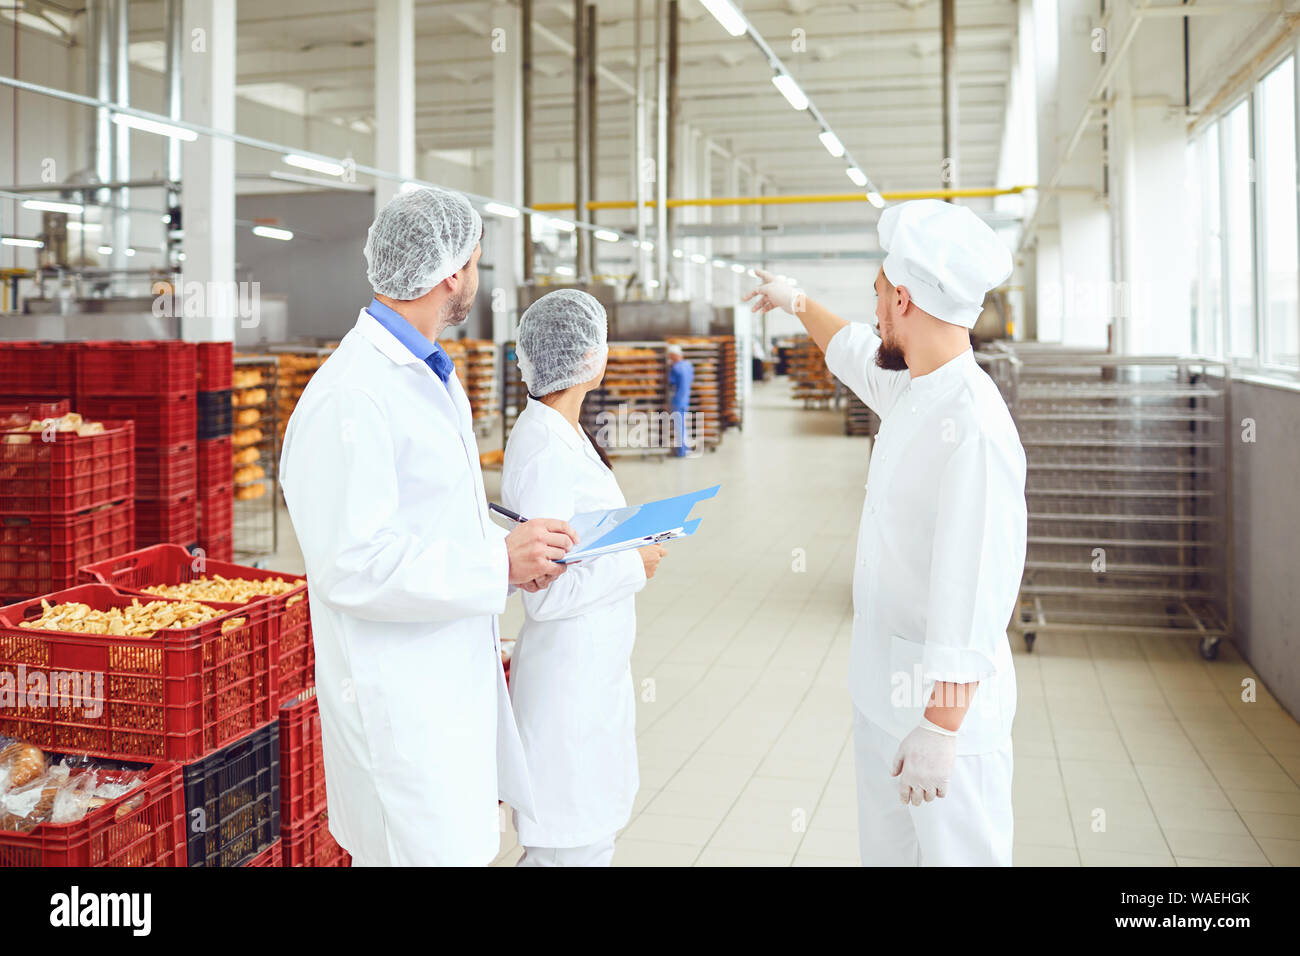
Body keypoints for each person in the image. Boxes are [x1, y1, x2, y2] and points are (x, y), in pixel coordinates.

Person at [279, 186, 579, 867]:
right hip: (400, 715)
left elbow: (430, 511)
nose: (474, 274)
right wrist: (496, 566)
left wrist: (517, 544)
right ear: (453, 272)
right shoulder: (353, 395)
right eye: (475, 260)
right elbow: (352, 565)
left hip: (444, 687)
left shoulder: (426, 374)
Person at [743, 199, 1026, 867]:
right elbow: (853, 352)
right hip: (884, 691)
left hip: (942, 718)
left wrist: (941, 725)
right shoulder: (917, 386)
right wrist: (796, 301)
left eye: (875, 296)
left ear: (902, 297)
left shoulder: (974, 427)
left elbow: (978, 586)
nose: (873, 313)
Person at [501, 289, 667, 867]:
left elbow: (573, 543)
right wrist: (633, 564)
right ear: (588, 359)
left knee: (584, 843)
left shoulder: (561, 432)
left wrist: (625, 537)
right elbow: (543, 591)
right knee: (568, 850)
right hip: (565, 687)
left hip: (588, 677)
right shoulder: (546, 449)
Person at [667, 343, 694, 457]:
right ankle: (685, 448)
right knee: (683, 425)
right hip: (685, 399)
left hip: (678, 400)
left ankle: (681, 451)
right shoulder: (689, 366)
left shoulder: (676, 368)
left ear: (674, 355)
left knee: (679, 426)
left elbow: (671, 383)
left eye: (670, 356)